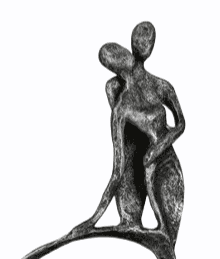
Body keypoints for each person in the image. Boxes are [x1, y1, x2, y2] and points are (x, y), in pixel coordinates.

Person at [75, 22, 185, 246]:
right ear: (114, 68)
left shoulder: (161, 86)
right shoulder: (122, 107)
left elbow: (181, 124)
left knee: (168, 237)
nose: (122, 56)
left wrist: (159, 146)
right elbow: (118, 171)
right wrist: (93, 219)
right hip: (145, 167)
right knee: (153, 232)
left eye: (119, 50)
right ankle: (138, 226)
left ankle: (164, 244)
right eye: (114, 57)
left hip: (167, 163)